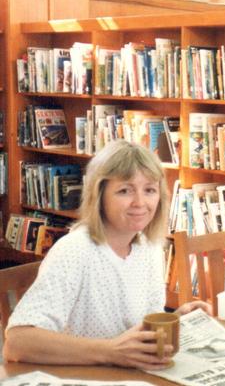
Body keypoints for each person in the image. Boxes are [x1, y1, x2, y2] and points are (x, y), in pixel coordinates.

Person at [3, 140, 208, 368]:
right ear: (99, 195)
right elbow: (18, 342)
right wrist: (112, 352)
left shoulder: (148, 247)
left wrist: (176, 319)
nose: (140, 202)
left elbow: (138, 329)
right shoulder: (74, 250)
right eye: (124, 190)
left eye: (149, 190)